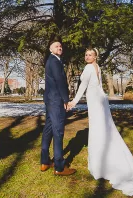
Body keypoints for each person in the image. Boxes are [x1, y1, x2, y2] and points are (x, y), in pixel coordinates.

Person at [68, 48, 133, 196]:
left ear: (95, 56)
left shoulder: (89, 67)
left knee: (98, 131)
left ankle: (100, 165)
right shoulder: (98, 67)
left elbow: (82, 87)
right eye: (86, 54)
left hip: (96, 102)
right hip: (100, 100)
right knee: (104, 130)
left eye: (90, 54)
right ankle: (106, 158)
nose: (87, 56)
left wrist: (73, 102)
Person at [40, 40, 77, 176]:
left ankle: (44, 162)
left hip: (50, 100)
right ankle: (59, 166)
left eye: (60, 46)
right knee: (58, 131)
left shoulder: (52, 60)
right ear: (50, 49)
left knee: (48, 130)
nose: (59, 47)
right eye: (56, 46)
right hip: (56, 101)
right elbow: (60, 81)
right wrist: (66, 100)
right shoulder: (55, 61)